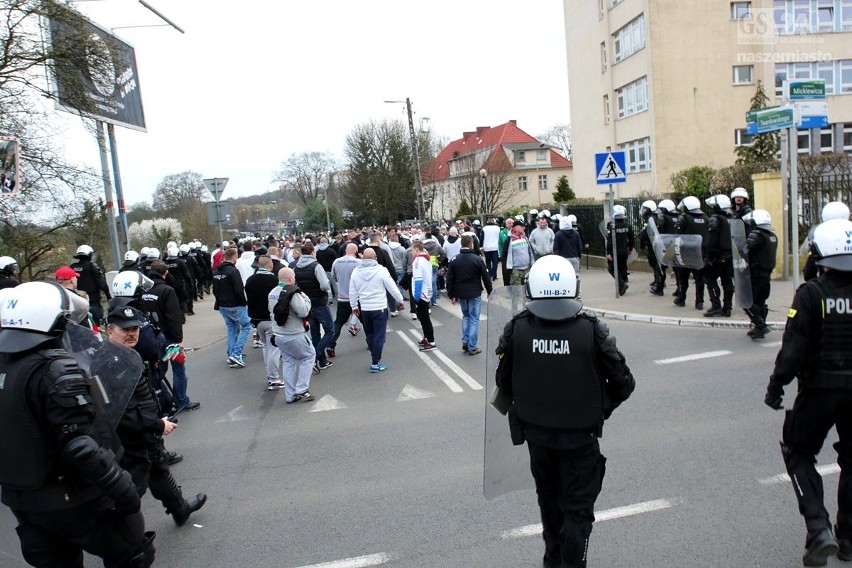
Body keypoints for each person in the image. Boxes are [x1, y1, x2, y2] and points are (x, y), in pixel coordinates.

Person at [0, 281, 155, 567]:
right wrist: (124, 489)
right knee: (132, 552)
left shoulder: (6, 363)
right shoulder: (56, 368)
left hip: (24, 498)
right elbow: (81, 444)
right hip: (72, 495)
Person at [495, 255, 635, 568]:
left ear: (532, 287)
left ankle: (552, 560)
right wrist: (601, 408)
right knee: (577, 512)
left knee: (549, 503)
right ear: (572, 287)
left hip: (537, 439)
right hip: (579, 439)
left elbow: (502, 382)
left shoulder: (516, 328)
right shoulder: (593, 329)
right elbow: (623, 382)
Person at [764, 218, 852, 567]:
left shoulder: (811, 293)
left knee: (798, 453)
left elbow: (794, 349)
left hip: (819, 389)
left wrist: (776, 386)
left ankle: (819, 529)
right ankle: (847, 538)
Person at [106, 306, 207, 527]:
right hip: (132, 438)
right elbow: (124, 413)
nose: (132, 333)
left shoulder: (127, 355)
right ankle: (121, 535)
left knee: (158, 468)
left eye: (135, 329)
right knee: (132, 488)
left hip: (145, 432)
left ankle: (180, 509)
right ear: (109, 331)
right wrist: (156, 425)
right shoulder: (111, 364)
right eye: (125, 330)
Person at [141, 260, 201, 414]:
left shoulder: (143, 291)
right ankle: (181, 400)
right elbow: (173, 317)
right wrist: (178, 338)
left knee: (157, 371)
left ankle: (159, 401)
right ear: (165, 272)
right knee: (179, 370)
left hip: (151, 337)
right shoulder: (167, 291)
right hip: (168, 337)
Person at [349, 248, 404, 372]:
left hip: (365, 308)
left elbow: (352, 291)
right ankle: (375, 362)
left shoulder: (356, 271)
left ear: (363, 258)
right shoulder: (381, 270)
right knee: (380, 336)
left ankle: (374, 354)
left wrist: (354, 306)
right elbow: (392, 287)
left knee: (370, 334)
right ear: (375, 257)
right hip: (379, 307)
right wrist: (400, 300)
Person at [269, 267, 316, 403]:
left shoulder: (272, 293)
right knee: (309, 356)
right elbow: (302, 312)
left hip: (278, 333)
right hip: (294, 332)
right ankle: (302, 389)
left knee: (289, 362)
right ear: (291, 279)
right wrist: (307, 300)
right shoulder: (293, 293)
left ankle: (290, 395)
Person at [446, 235, 492, 356]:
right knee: (474, 319)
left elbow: (449, 279)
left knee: (466, 316)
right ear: (471, 244)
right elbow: (486, 277)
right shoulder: (477, 259)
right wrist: (490, 291)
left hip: (461, 293)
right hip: (474, 292)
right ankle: (472, 346)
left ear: (461, 244)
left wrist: (451, 294)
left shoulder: (454, 259)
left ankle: (465, 341)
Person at [294, 242, 335, 372]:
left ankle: (322, 361)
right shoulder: (316, 266)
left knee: (315, 332)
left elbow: (296, 284)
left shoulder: (296, 267)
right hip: (319, 302)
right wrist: (327, 294)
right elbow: (324, 284)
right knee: (330, 330)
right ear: (313, 252)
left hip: (307, 303)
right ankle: (315, 356)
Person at [245, 255, 282, 390]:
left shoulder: (250, 280)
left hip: (256, 319)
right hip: (270, 319)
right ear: (270, 265)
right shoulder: (274, 280)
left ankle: (270, 375)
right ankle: (274, 379)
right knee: (274, 349)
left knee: (266, 348)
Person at [213, 247, 252, 368]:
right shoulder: (233, 271)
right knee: (247, 326)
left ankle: (231, 353)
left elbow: (215, 290)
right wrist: (244, 303)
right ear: (234, 257)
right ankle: (236, 353)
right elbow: (239, 290)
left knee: (232, 329)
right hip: (234, 304)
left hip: (222, 305)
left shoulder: (216, 272)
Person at [743, 209, 778, 340]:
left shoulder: (756, 234)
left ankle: (760, 325)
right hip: (766, 274)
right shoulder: (772, 235)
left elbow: (745, 250)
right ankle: (759, 328)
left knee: (747, 302)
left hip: (756, 274)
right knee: (760, 302)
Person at [673, 196, 708, 309]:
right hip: (700, 252)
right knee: (699, 279)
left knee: (683, 277)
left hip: (686, 252)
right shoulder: (705, 217)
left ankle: (681, 298)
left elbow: (677, 233)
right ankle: (699, 302)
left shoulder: (684, 218)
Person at [703, 194, 735, 317]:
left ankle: (716, 306)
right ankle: (727, 308)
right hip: (730, 255)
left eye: (714, 205)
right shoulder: (732, 217)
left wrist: (707, 257)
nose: (713, 207)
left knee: (709, 279)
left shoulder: (716, 219)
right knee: (727, 282)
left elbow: (712, 240)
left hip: (718, 256)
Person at [70, 244, 111, 324]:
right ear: (90, 255)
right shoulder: (92, 266)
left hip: (76, 301)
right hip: (92, 301)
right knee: (96, 325)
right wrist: (108, 296)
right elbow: (102, 284)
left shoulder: (72, 267)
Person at [411, 240, 437, 350]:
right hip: (426, 291)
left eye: (412, 250)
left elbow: (418, 279)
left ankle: (431, 341)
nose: (412, 252)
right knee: (422, 316)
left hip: (421, 293)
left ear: (417, 249)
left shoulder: (417, 261)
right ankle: (426, 337)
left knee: (424, 317)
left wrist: (416, 296)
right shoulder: (426, 259)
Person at [605, 205, 634, 296]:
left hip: (614, 252)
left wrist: (608, 253)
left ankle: (622, 284)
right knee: (622, 267)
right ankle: (622, 286)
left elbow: (609, 240)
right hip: (624, 251)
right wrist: (630, 249)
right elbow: (631, 238)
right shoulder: (627, 225)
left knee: (612, 269)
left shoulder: (612, 226)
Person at [553, 215, 584, 298]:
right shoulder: (576, 234)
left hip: (563, 259)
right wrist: (578, 257)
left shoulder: (558, 234)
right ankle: (578, 293)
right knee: (576, 276)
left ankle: (566, 292)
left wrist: (557, 258)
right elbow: (579, 247)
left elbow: (556, 248)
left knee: (564, 277)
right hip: (574, 257)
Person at [498, 217, 515, 286]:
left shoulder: (516, 232)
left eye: (512, 223)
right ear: (506, 224)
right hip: (505, 255)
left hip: (513, 255)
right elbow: (500, 244)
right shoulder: (502, 233)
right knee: (505, 272)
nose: (511, 224)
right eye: (509, 223)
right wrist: (500, 254)